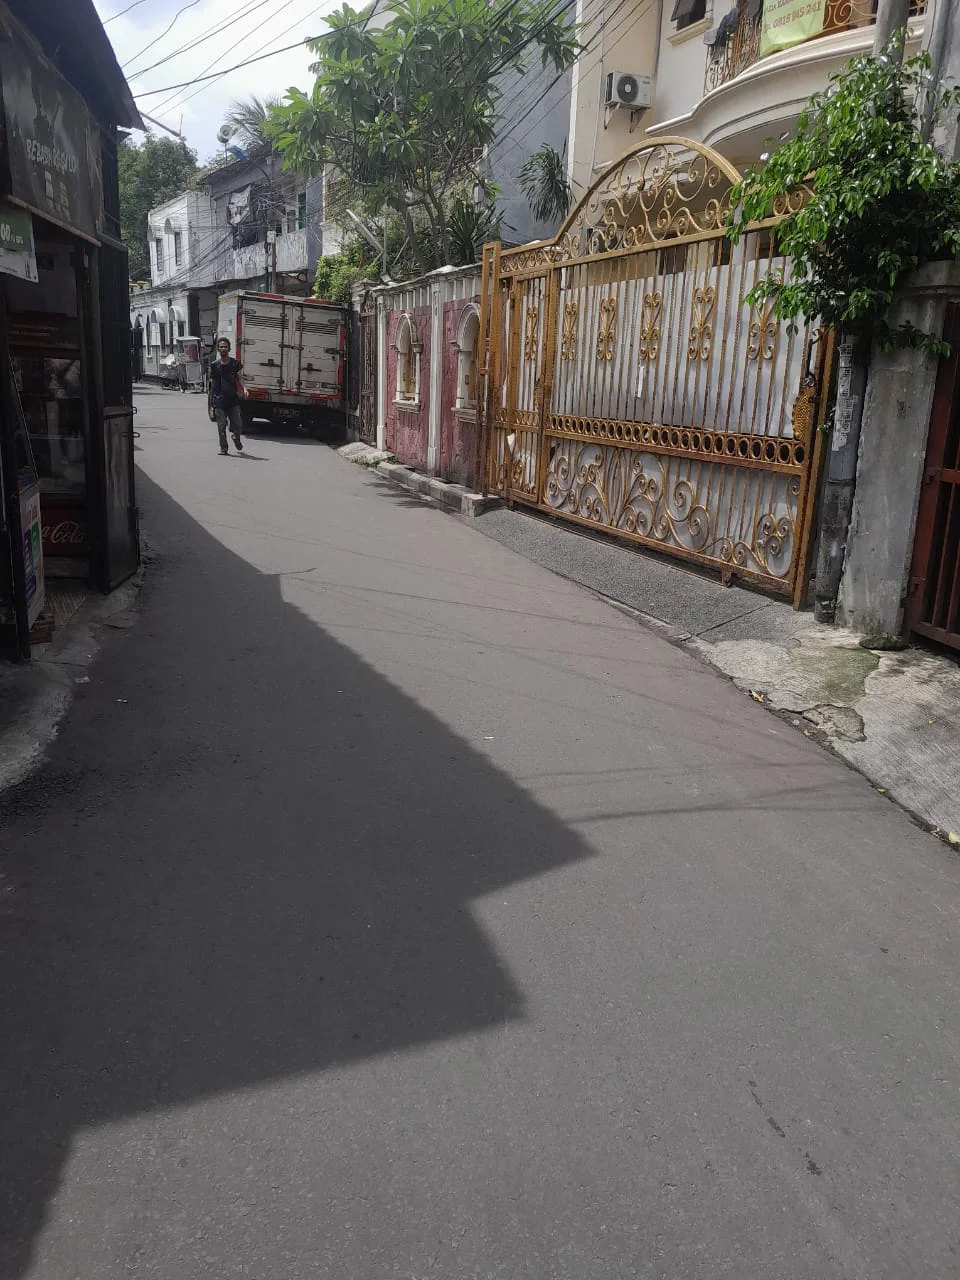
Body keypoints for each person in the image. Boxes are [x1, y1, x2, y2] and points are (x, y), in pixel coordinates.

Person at [208, 337, 246, 455]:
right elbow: (213, 384)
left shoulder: (235, 363)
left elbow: (239, 378)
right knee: (221, 425)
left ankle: (236, 437)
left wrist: (244, 389)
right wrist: (210, 403)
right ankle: (223, 448)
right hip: (219, 400)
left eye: (225, 346)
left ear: (229, 349)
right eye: (221, 347)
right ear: (218, 349)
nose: (223, 348)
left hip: (232, 400)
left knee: (238, 424)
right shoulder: (214, 365)